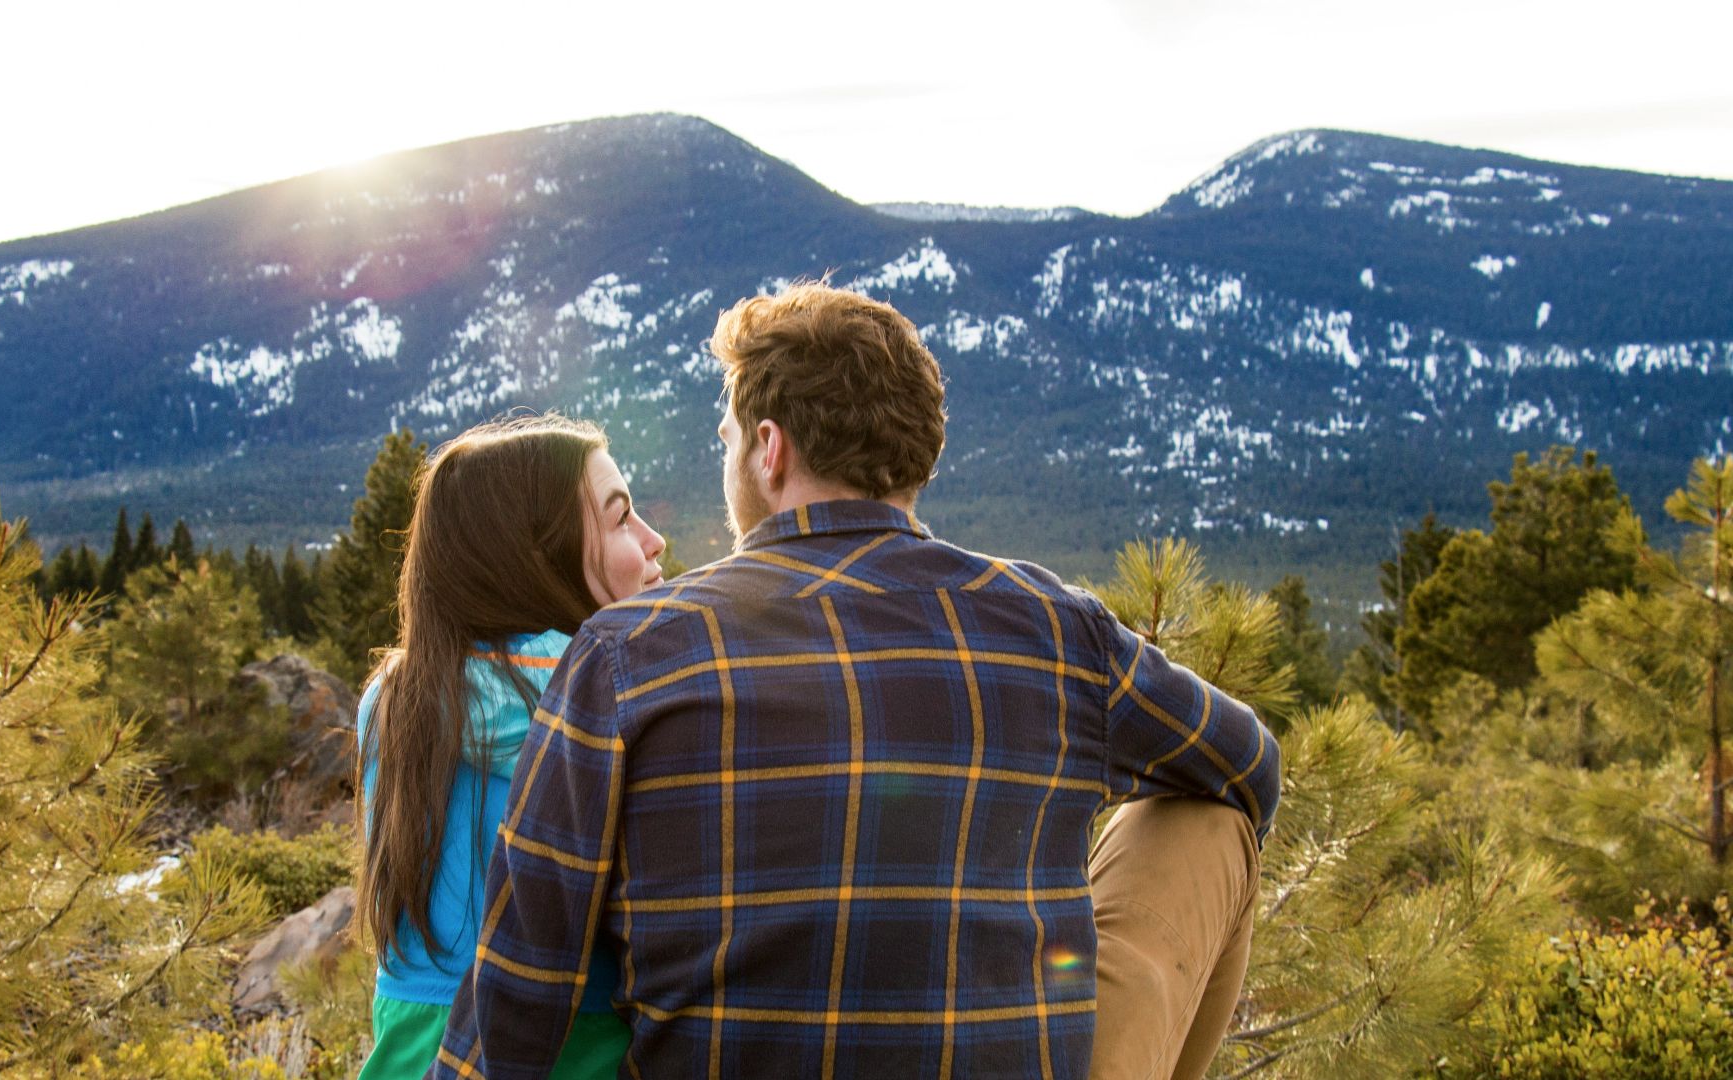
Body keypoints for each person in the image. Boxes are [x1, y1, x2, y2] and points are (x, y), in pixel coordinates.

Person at [431, 284, 1283, 1080]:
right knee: (1213, 815)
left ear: (769, 450)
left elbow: (518, 990)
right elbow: (1249, 765)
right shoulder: (1057, 627)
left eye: (726, 442)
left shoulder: (626, 653)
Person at [354, 413, 665, 1080]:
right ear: (540, 557)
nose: (654, 540)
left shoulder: (393, 700)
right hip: (573, 1049)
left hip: (409, 1048)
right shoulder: (620, 696)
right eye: (620, 520)